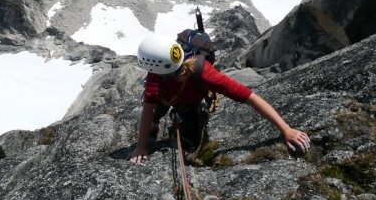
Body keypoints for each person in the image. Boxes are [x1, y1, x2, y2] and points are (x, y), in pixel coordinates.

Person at [128, 33, 311, 163]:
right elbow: (149, 107)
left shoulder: (205, 74)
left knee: (189, 144)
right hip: (171, 98)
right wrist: (141, 145)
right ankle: (157, 125)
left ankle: (188, 117)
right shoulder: (158, 72)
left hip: (189, 104)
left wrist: (285, 129)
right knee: (157, 113)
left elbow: (249, 96)